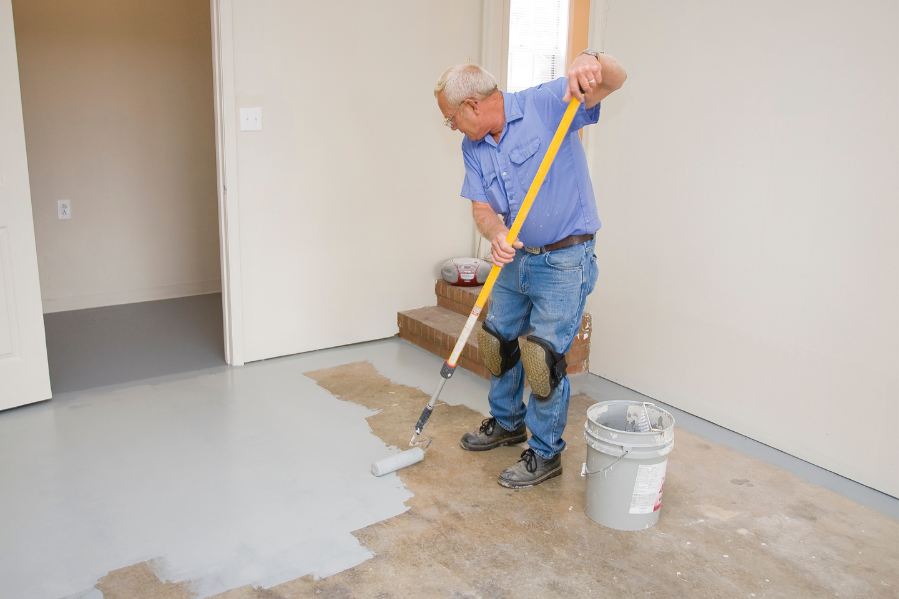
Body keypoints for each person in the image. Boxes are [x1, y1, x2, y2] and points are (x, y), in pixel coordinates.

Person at [434, 51, 627, 488]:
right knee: (497, 341)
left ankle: (545, 452)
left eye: (451, 119)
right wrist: (497, 233)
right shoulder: (474, 147)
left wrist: (590, 61)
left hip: (563, 258)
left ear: (472, 107)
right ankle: (507, 422)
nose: (452, 128)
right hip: (515, 258)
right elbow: (481, 208)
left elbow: (615, 79)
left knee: (542, 358)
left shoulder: (545, 103)